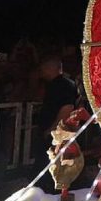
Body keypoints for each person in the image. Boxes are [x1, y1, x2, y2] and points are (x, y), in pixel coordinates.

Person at [33, 55, 78, 191]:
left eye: (43, 69)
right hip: (55, 130)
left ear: (50, 68)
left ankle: (47, 191)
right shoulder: (59, 84)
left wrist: (53, 129)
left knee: (51, 163)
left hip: (57, 132)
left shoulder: (62, 85)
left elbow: (67, 107)